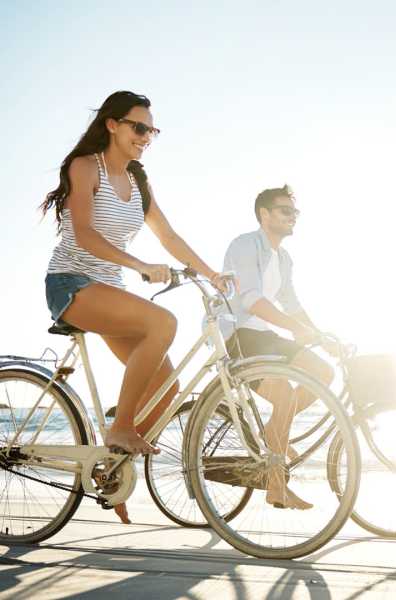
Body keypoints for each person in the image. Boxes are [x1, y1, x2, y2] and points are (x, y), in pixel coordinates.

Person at [41, 90, 226, 522]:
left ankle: (111, 467)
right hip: (70, 285)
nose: (146, 136)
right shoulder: (86, 167)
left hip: (108, 291)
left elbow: (170, 237)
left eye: (151, 130)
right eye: (138, 127)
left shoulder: (139, 181)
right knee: (163, 322)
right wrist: (139, 264)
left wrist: (212, 274)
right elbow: (84, 234)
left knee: (167, 390)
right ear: (112, 124)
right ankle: (120, 427)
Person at [222, 184, 336, 510]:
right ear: (265, 214)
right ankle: (276, 487)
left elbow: (292, 303)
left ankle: (273, 433)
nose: (292, 217)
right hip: (237, 333)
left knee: (323, 372)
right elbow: (252, 300)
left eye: (294, 212)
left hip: (263, 333)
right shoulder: (245, 245)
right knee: (284, 395)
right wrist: (295, 328)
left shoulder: (283, 258)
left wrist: (320, 335)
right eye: (286, 211)